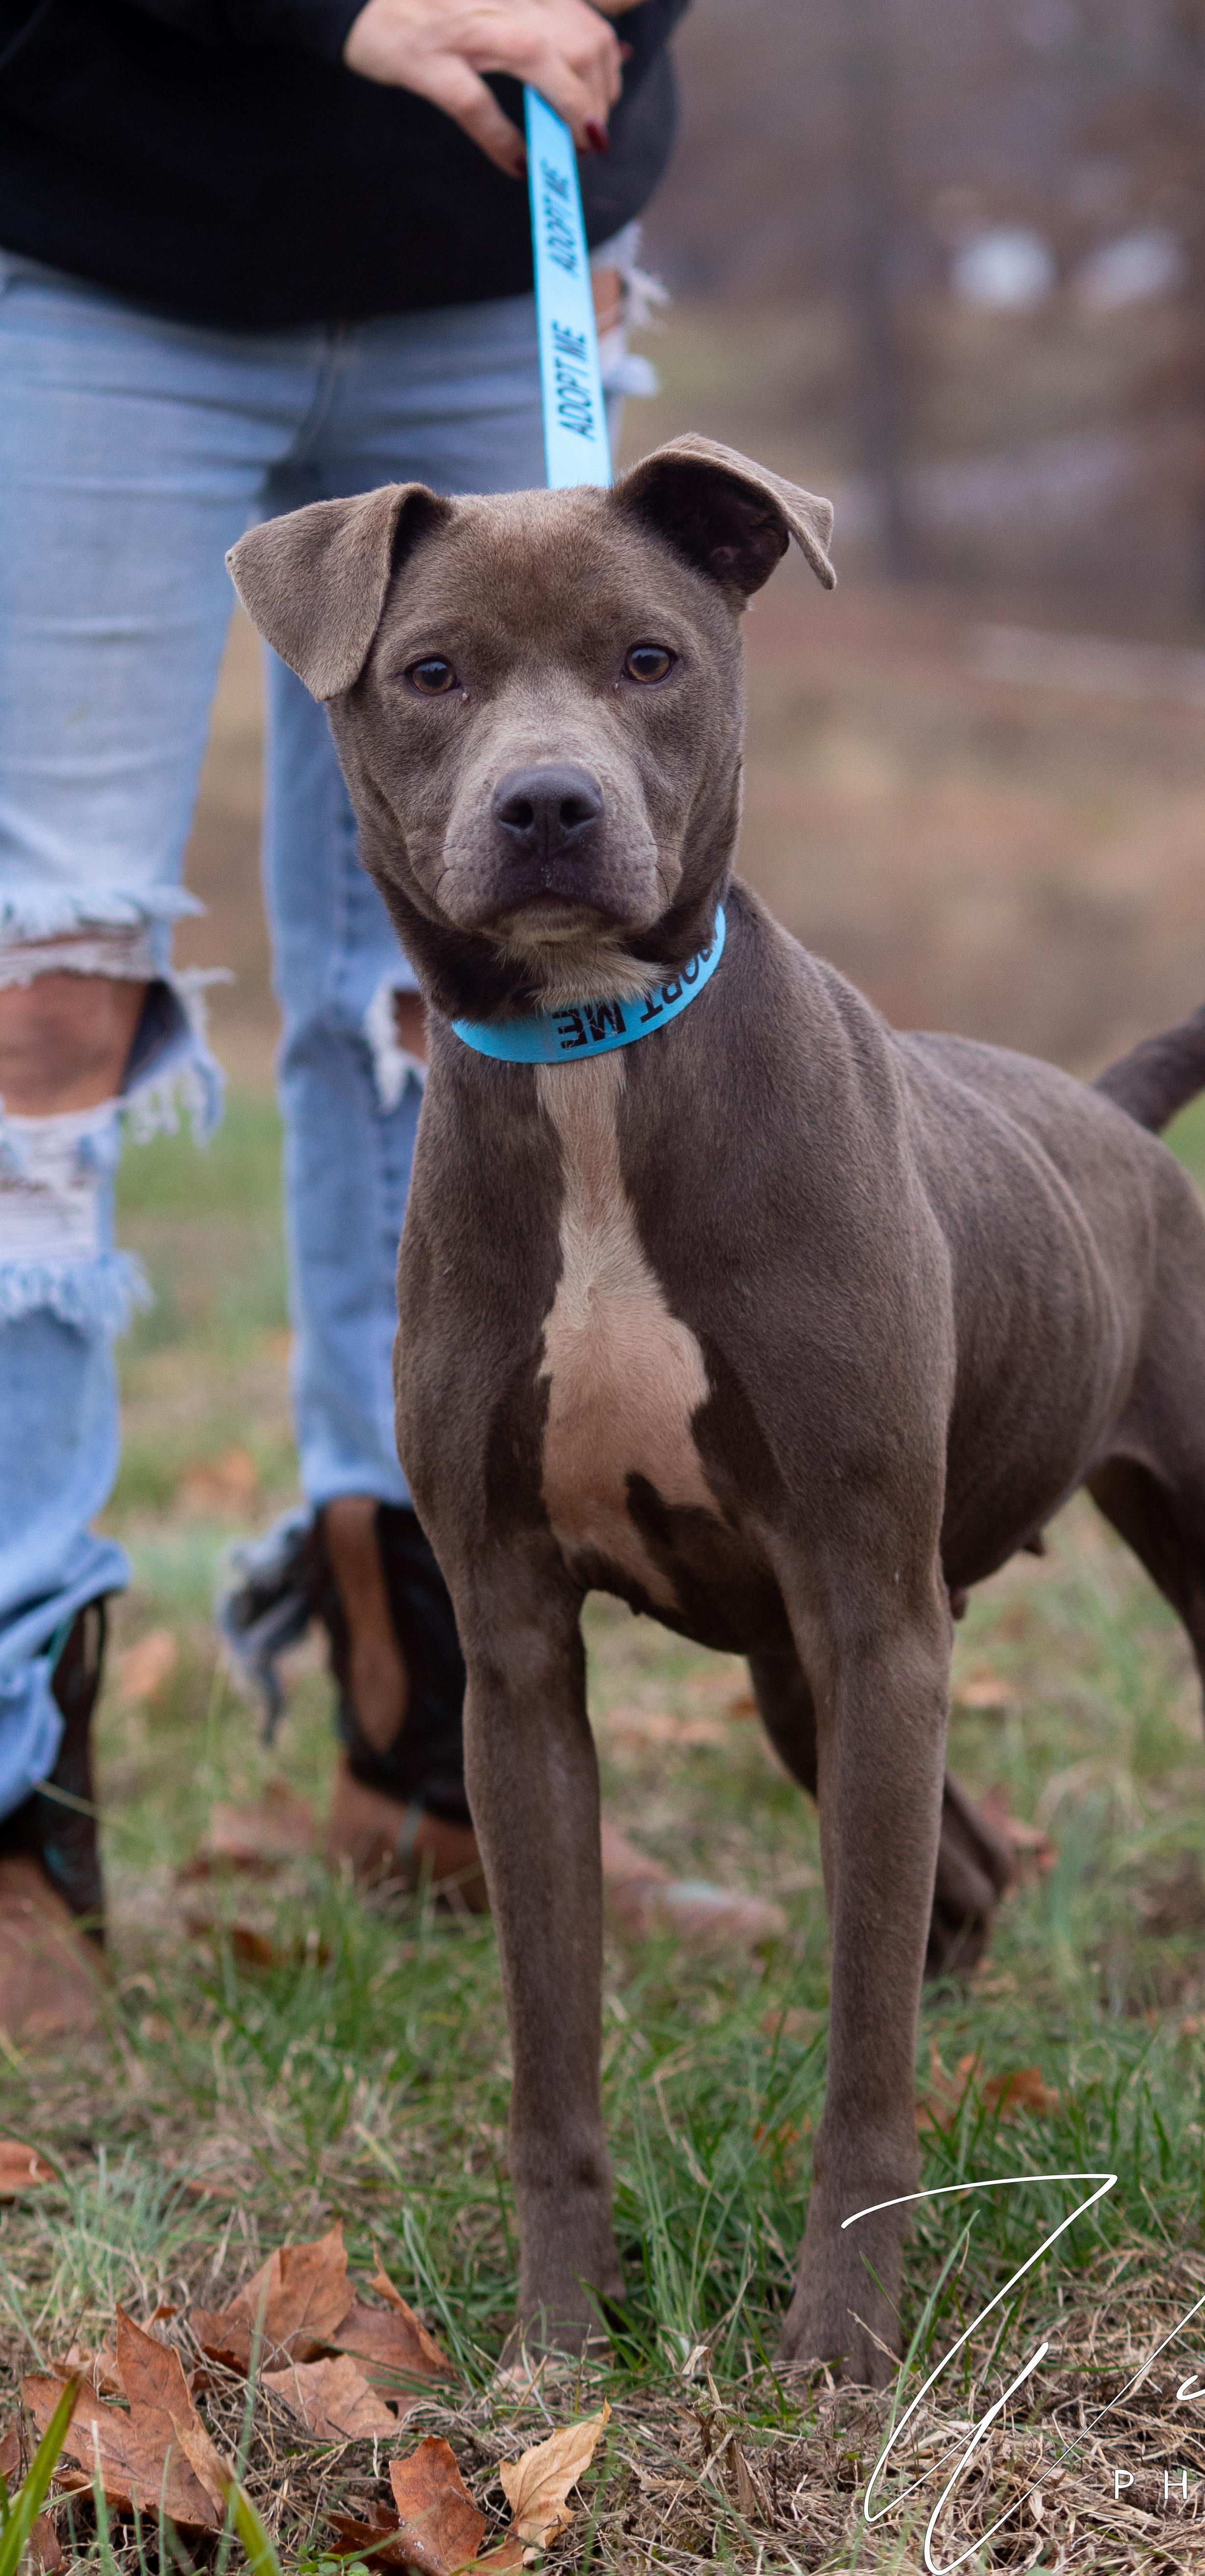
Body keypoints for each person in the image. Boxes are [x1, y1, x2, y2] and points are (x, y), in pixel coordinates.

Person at [0, 0, 690, 2036]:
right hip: (97, 240)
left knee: (456, 993)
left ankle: (436, 1758)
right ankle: (17, 1815)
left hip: (492, 251)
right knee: (41, 1012)